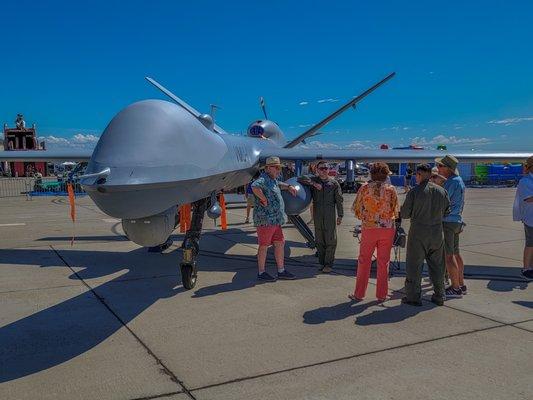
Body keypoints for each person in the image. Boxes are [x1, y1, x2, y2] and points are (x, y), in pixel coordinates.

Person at [400, 164, 450, 306]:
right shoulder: (442, 191)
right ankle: (440, 295)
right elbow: (447, 211)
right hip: (436, 233)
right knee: (438, 266)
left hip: (418, 233)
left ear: (420, 175)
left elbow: (404, 214)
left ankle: (413, 297)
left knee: (414, 266)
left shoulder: (414, 192)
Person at [349, 162, 398, 302]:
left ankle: (359, 294)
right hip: (387, 229)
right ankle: (382, 294)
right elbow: (395, 210)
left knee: (364, 261)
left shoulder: (364, 188)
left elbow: (357, 209)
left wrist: (368, 216)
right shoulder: (391, 189)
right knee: (384, 262)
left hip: (369, 228)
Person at [251, 156, 298, 281]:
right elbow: (254, 187)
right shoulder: (263, 179)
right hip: (266, 220)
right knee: (264, 246)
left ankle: (281, 270)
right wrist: (264, 199)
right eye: (276, 168)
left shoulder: (273, 180)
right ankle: (261, 272)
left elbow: (279, 184)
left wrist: (289, 187)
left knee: (279, 243)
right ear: (267, 168)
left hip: (276, 220)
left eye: (279, 168)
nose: (279, 170)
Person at [298, 160, 344, 273]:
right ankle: (322, 263)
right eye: (321, 168)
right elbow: (300, 178)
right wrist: (314, 184)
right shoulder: (314, 180)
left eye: (326, 168)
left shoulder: (334, 183)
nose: (324, 170)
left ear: (328, 170)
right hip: (317, 215)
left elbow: (339, 200)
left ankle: (328, 264)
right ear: (317, 170)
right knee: (319, 240)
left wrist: (340, 215)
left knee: (330, 239)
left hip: (329, 214)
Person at [436, 155, 466, 298]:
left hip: (447, 221)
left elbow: (442, 201)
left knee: (448, 256)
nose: (438, 168)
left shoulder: (450, 183)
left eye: (440, 166)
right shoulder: (458, 181)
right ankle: (460, 283)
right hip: (456, 220)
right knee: (456, 253)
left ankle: (455, 288)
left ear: (447, 168)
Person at [513, 156, 533, 279]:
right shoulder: (525, 182)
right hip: (530, 218)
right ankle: (526, 268)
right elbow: (528, 198)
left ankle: (531, 266)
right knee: (530, 244)